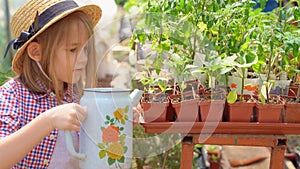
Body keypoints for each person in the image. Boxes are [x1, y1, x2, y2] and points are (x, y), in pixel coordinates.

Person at [0, 0, 102, 168]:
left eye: (85, 49)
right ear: (36, 52)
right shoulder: (13, 96)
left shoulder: (78, 96)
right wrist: (48, 120)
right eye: (72, 50)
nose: (83, 59)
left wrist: (121, 122)